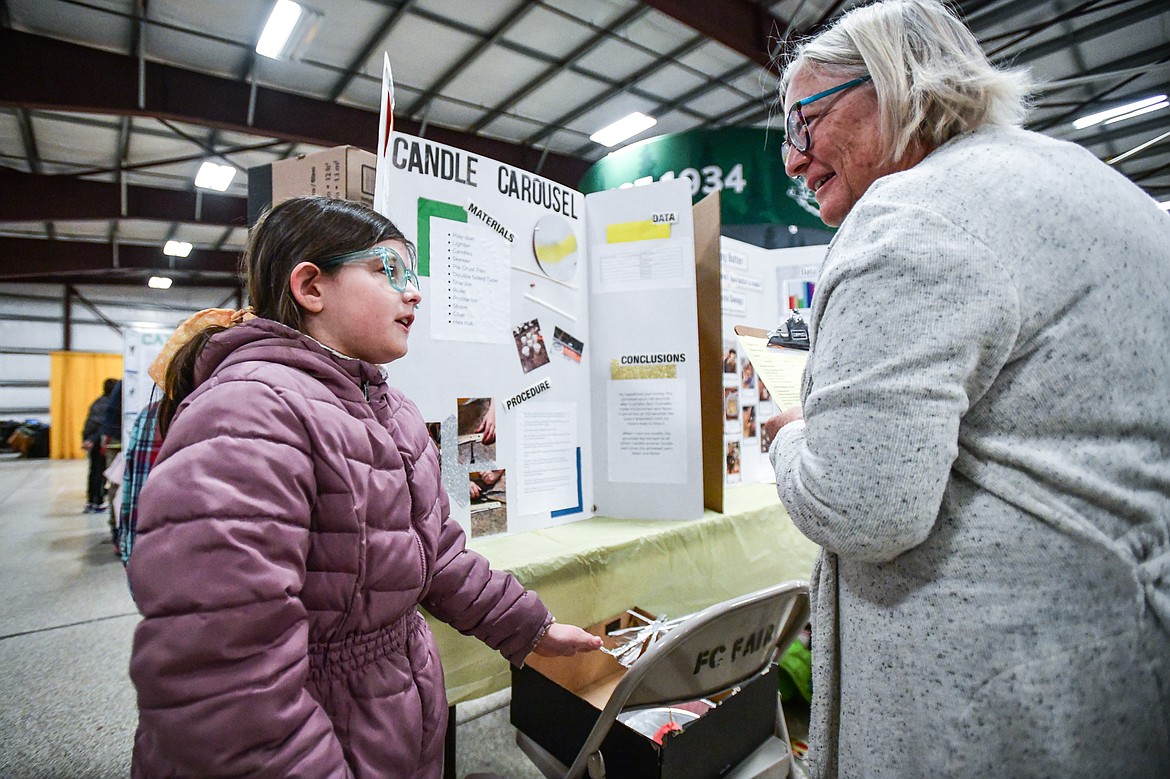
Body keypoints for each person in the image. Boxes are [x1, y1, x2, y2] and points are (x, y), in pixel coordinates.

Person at [762, 2, 1170, 776]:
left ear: (888, 82)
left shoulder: (909, 218)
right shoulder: (1094, 183)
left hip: (984, 717)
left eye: (800, 122)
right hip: (1116, 676)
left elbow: (861, 505)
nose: (791, 158)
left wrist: (790, 439)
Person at [126, 196, 601, 778]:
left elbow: (437, 558)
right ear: (311, 286)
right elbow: (224, 675)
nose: (415, 292)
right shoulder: (248, 414)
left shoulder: (391, 410)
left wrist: (531, 628)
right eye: (389, 271)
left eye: (415, 275)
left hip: (387, 717)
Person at [80, 377, 117, 512]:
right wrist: (92, 439)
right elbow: (102, 426)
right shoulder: (109, 405)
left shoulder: (98, 402)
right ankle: (99, 501)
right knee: (100, 473)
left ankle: (91, 500)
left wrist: (86, 439)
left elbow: (89, 423)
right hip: (100, 442)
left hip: (92, 441)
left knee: (93, 472)